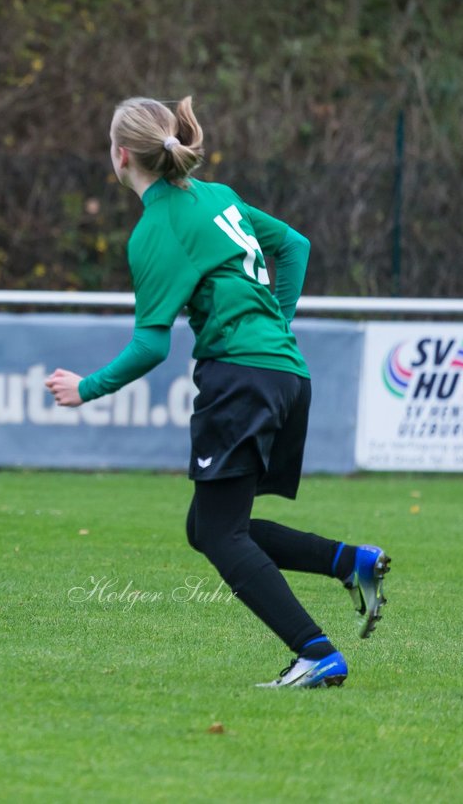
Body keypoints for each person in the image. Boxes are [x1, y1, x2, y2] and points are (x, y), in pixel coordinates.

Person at [45, 96, 390, 688]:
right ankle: (348, 562)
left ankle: (316, 653)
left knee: (221, 533)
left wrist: (88, 387)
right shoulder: (219, 196)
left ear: (120, 155)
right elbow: (295, 246)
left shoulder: (155, 228)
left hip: (241, 379)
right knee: (209, 527)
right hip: (286, 375)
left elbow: (152, 346)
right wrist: (277, 326)